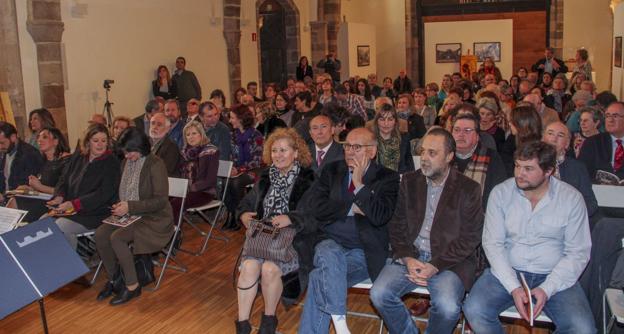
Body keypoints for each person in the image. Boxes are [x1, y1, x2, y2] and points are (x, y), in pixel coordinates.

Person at [463, 141, 596, 334]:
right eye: (517, 166)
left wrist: (547, 288)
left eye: (528, 168)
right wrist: (514, 287)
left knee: (583, 329)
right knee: (474, 310)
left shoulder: (571, 199)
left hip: (555, 275)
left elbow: (578, 253)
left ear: (549, 171)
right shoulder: (501, 193)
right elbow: (493, 245)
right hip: (507, 271)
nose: (519, 173)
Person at [370, 128, 484, 334]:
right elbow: (397, 225)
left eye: (432, 153)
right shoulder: (409, 181)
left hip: (449, 261)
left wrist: (435, 265)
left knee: (448, 308)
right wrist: (406, 257)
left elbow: (471, 237)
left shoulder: (469, 189)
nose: (424, 158)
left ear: (449, 156)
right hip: (411, 256)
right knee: (379, 294)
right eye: (422, 152)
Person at [298, 128, 400, 334]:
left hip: (363, 251)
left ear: (372, 151)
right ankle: (340, 324)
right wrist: (351, 207)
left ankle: (338, 324)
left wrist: (358, 184)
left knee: (320, 277)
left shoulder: (387, 178)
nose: (350, 152)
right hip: (329, 240)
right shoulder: (332, 170)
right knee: (328, 252)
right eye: (347, 146)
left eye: (357, 147)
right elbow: (314, 207)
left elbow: (380, 215)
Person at [235, 128, 315, 334]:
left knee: (269, 269)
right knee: (250, 267)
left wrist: (291, 218)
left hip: (291, 242)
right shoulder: (266, 177)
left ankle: (269, 321)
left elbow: (315, 215)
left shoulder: (309, 179)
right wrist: (243, 214)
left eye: (283, 150)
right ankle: (242, 324)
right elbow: (246, 203)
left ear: (296, 153)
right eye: (274, 151)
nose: (278, 155)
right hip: (261, 240)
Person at [95, 127, 173, 305]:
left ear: (141, 147)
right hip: (132, 213)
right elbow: (124, 192)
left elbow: (160, 200)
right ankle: (116, 279)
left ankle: (132, 286)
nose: (127, 156)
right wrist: (120, 205)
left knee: (117, 238)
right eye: (125, 153)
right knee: (100, 234)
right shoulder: (126, 163)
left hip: (154, 217)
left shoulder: (155, 164)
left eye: (130, 152)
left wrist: (130, 206)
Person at [42, 123, 120, 249]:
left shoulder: (112, 163)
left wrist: (75, 204)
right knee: (42, 222)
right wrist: (59, 196)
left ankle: (70, 266)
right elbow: (64, 179)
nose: (100, 144)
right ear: (88, 142)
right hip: (71, 209)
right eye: (96, 140)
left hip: (95, 213)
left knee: (61, 228)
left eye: (103, 140)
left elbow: (104, 194)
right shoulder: (79, 156)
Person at [8, 127, 71, 222]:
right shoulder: (44, 161)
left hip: (57, 202)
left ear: (56, 141)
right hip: (43, 198)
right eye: (38, 138)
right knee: (14, 199)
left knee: (17, 204)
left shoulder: (67, 161)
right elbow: (42, 184)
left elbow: (67, 191)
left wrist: (39, 186)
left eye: (44, 137)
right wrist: (29, 188)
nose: (39, 140)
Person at [542, 121, 598, 220]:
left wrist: (571, 217)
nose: (554, 139)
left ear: (567, 143)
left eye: (560, 135)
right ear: (542, 138)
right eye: (550, 133)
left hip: (569, 221)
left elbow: (590, 203)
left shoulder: (577, 168)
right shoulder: (531, 164)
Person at [223, 105, 265, 231]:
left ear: (241, 119)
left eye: (232, 118)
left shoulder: (256, 135)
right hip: (239, 169)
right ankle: (232, 212)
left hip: (256, 169)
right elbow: (231, 155)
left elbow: (257, 160)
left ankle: (240, 214)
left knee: (236, 182)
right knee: (225, 181)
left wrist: (239, 170)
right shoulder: (233, 135)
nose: (230, 120)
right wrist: (232, 168)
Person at [452, 113, 507, 208]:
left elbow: (499, 196)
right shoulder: (444, 157)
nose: (461, 134)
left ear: (477, 136)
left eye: (467, 130)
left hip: (481, 216)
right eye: (457, 130)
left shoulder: (492, 157)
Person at [170, 121, 219, 224]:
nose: (191, 137)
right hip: (185, 190)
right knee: (163, 200)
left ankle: (174, 234)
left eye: (194, 133)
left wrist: (190, 188)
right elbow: (179, 174)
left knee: (175, 203)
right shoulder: (184, 152)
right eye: (187, 135)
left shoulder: (211, 151)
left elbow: (210, 179)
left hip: (204, 192)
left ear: (201, 134)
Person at [579, 102, 624, 181]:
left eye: (615, 116)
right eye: (607, 116)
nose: (610, 120)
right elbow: (581, 173)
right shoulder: (592, 143)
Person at [0, 121, 44, 197]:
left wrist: (4, 196)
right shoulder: (4, 151)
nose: (0, 147)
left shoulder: (30, 154)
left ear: (13, 137)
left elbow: (26, 187)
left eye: (2, 143)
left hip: (19, 201)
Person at [500, 105, 543, 176]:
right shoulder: (511, 139)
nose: (509, 124)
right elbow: (505, 164)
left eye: (512, 121)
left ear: (523, 124)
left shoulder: (538, 147)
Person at [371, 104, 414, 173]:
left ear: (395, 122)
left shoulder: (404, 138)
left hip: (399, 179)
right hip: (376, 181)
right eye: (382, 119)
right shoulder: (370, 140)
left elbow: (409, 164)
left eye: (390, 119)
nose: (386, 123)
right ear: (376, 121)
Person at [148, 112, 180, 176]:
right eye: (153, 123)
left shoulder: (172, 147)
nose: (154, 127)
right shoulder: (144, 143)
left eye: (159, 125)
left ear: (167, 129)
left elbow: (165, 172)